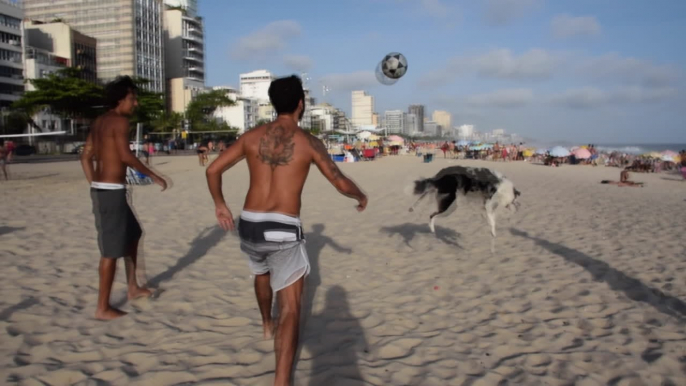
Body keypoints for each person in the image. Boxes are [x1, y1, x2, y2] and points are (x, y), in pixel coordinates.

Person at [206, 75, 367, 386]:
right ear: (300, 104)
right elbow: (339, 181)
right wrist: (360, 196)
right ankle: (281, 381)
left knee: (261, 272)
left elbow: (212, 169)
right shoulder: (308, 142)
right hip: (282, 227)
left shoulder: (252, 137)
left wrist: (220, 205)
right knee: (292, 307)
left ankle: (267, 324)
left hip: (250, 224)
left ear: (272, 103)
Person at [80, 76, 168, 320]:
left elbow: (85, 157)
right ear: (120, 100)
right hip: (109, 194)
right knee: (110, 252)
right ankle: (102, 308)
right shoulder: (119, 121)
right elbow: (126, 156)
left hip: (106, 190)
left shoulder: (99, 122)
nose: (135, 103)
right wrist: (154, 176)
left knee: (134, 233)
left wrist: (94, 183)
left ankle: (132, 287)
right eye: (132, 98)